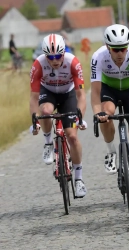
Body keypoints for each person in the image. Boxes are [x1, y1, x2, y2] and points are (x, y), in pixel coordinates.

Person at [90, 24, 129, 208]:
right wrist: (97, 113)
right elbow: (95, 92)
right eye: (116, 49)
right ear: (108, 47)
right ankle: (111, 152)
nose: (120, 53)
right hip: (109, 90)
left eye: (123, 48)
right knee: (106, 113)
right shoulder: (98, 57)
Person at [29, 34, 87, 198]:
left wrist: (79, 117)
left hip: (68, 95)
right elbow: (33, 98)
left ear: (64, 52)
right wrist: (35, 121)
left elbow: (81, 96)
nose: (54, 60)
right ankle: (48, 143)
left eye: (58, 56)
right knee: (46, 112)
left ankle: (79, 179)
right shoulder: (38, 64)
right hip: (48, 93)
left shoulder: (73, 62)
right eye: (50, 57)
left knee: (72, 137)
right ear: (45, 55)